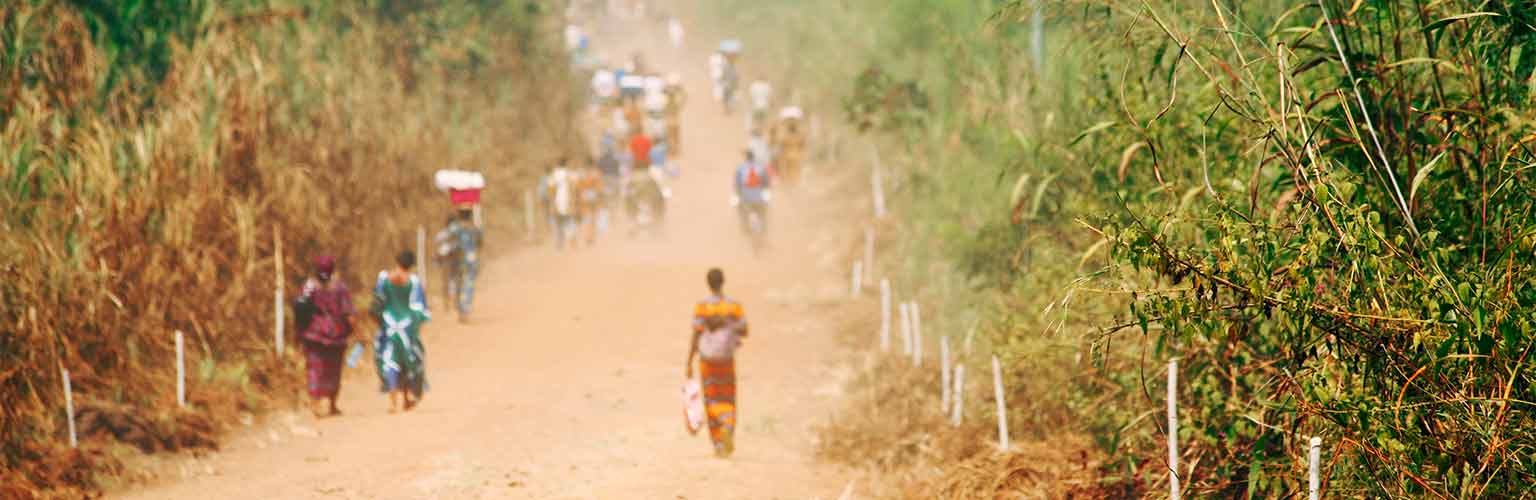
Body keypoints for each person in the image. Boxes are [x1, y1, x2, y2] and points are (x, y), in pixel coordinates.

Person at [684, 268, 749, 458]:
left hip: (707, 360)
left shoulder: (702, 307)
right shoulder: (734, 306)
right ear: (723, 282)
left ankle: (719, 444)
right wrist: (727, 325)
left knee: (711, 398)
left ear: (708, 283)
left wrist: (689, 360)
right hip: (727, 360)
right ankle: (727, 426)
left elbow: (696, 333)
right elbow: (744, 330)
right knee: (727, 397)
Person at [293, 255, 356, 418]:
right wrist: (355, 330)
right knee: (334, 369)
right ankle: (332, 405)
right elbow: (348, 312)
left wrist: (298, 333)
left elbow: (299, 309)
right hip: (336, 333)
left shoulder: (309, 286)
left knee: (314, 368)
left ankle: (315, 403)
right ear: (333, 269)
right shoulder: (340, 287)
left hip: (314, 333)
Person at [372, 251, 430, 413]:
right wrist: (417, 325)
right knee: (409, 361)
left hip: (389, 325)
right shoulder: (413, 281)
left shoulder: (384, 278)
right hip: (407, 326)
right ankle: (407, 398)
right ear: (411, 265)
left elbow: (377, 301)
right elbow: (419, 309)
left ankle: (392, 401)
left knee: (390, 361)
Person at [447, 207, 482, 321]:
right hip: (471, 260)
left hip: (458, 260)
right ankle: (465, 309)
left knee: (458, 284)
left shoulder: (454, 229)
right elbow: (480, 243)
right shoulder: (475, 229)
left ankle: (460, 308)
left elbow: (448, 240)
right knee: (469, 284)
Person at [734, 149, 772, 237]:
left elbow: (737, 184)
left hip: (746, 198)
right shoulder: (761, 167)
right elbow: (766, 182)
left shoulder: (740, 168)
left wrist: (738, 193)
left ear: (746, 158)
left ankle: (745, 227)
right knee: (763, 212)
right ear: (753, 158)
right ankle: (763, 228)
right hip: (759, 198)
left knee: (741, 210)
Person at [770, 107, 807, 188]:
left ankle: (790, 186)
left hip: (788, 157)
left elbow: (780, 143)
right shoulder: (799, 135)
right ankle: (792, 186)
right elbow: (803, 144)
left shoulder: (786, 136)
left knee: (790, 173)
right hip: (795, 156)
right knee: (793, 173)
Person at [548, 159, 578, 250]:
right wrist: (574, 202)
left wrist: (552, 204)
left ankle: (560, 244)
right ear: (566, 164)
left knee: (559, 224)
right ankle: (572, 241)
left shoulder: (553, 175)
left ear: (558, 164)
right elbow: (574, 189)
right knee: (570, 222)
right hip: (568, 202)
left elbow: (551, 191)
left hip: (557, 202)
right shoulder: (570, 174)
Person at [664, 73, 687, 155]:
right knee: (676, 137)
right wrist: (681, 89)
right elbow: (684, 99)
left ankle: (672, 150)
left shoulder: (666, 103)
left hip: (669, 121)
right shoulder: (675, 104)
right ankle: (675, 150)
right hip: (675, 121)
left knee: (670, 137)